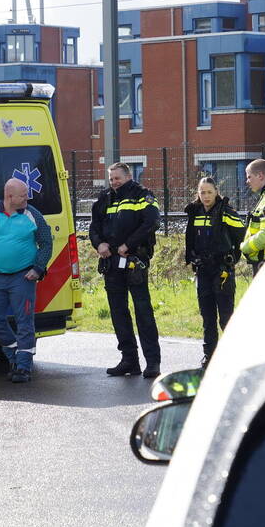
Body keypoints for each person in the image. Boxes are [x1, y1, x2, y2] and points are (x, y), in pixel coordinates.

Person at [0, 178, 52, 383]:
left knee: (24, 320)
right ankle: (14, 355)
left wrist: (38, 268)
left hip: (23, 277)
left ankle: (23, 366)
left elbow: (46, 242)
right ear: (9, 197)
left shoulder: (33, 214)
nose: (27, 198)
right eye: (23, 195)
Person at [89, 162, 161, 378]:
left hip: (134, 260)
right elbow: (94, 226)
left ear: (128, 176)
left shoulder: (142, 195)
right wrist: (98, 244)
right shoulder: (105, 198)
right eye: (111, 179)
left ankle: (152, 362)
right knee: (118, 313)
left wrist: (127, 245)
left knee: (143, 312)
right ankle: (129, 360)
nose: (114, 182)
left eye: (117, 178)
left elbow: (151, 222)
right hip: (111, 262)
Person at [184, 177, 245, 368]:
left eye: (209, 192)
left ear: (216, 192)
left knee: (226, 316)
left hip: (222, 271)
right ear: (198, 194)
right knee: (207, 316)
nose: (206, 196)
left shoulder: (226, 212)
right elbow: (191, 239)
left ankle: (233, 356)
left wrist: (231, 259)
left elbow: (242, 237)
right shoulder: (195, 212)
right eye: (202, 192)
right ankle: (209, 355)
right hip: (203, 270)